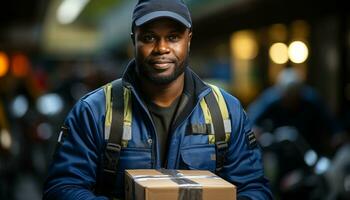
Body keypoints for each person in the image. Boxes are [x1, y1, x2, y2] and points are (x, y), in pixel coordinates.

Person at [43, 0, 272, 199]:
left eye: (173, 37)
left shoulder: (226, 112)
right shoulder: (94, 112)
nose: (161, 48)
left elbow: (253, 189)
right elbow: (63, 188)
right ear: (134, 40)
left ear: (188, 39)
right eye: (149, 37)